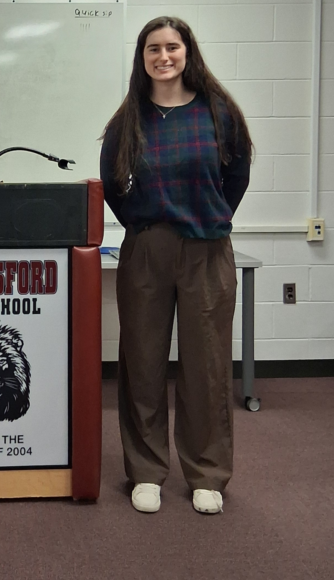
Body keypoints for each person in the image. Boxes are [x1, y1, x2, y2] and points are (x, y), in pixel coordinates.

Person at [99, 17, 253, 515]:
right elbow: (111, 183)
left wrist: (213, 216)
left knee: (206, 366)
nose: (163, 56)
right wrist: (144, 224)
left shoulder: (219, 113)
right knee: (142, 363)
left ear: (188, 52)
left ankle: (207, 474)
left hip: (207, 248)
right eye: (153, 49)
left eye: (172, 47)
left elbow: (237, 174)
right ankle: (146, 471)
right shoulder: (129, 118)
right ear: (142, 57)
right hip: (147, 249)